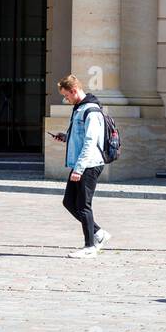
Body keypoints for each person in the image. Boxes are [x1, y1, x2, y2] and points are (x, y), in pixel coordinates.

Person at [52, 74, 111, 258]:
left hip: (89, 164)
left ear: (74, 90)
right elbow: (80, 137)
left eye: (66, 95)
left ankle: (90, 247)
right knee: (69, 202)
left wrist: (79, 169)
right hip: (81, 163)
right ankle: (99, 233)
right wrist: (66, 137)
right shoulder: (80, 108)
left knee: (83, 205)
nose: (66, 99)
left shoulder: (91, 111)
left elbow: (90, 141)